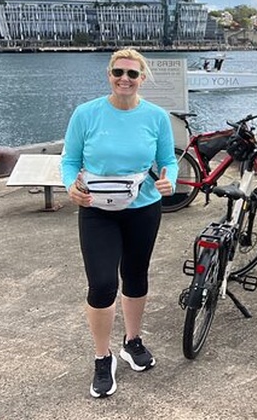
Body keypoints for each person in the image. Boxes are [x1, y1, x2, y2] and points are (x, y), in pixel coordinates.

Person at [61, 48, 178, 398]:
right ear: (109, 75)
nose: (124, 79)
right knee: (101, 284)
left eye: (132, 74)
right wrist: (71, 188)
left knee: (136, 275)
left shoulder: (156, 117)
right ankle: (102, 357)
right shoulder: (86, 114)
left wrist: (168, 179)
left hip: (143, 207)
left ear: (142, 78)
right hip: (97, 209)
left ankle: (132, 340)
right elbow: (70, 160)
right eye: (118, 72)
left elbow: (167, 159)